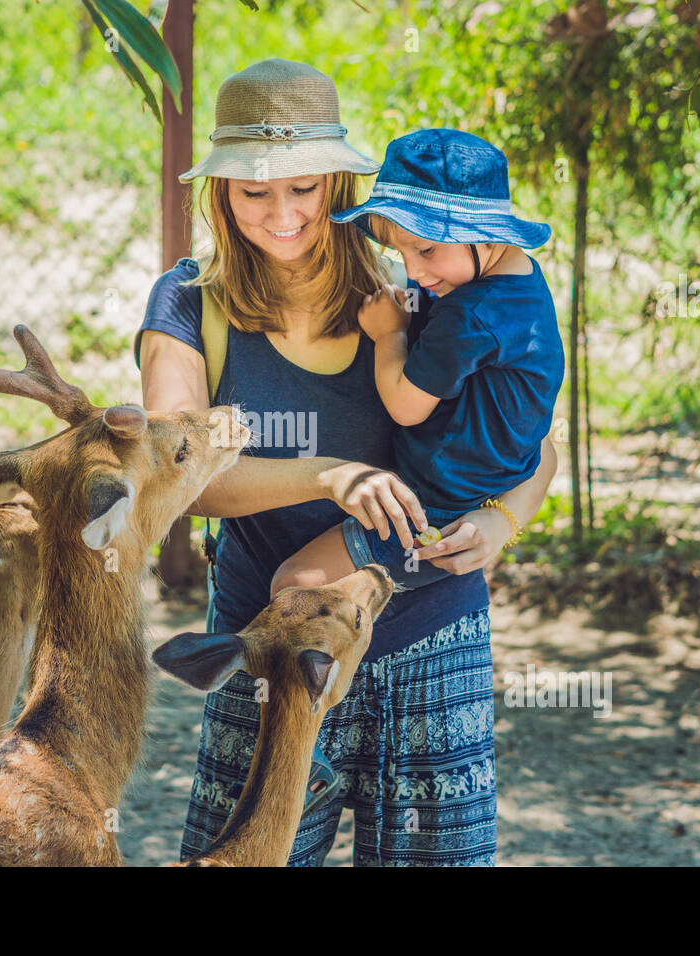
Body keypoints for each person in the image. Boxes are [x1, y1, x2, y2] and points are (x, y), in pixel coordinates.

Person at [135, 59, 557, 865]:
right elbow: (173, 472)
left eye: (303, 187)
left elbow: (535, 435)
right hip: (271, 644)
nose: (282, 212)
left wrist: (506, 519)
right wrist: (332, 475)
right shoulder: (188, 301)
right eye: (254, 191)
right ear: (219, 193)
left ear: (338, 181)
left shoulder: (411, 288)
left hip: (430, 631)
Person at [269, 128, 565, 598]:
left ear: (483, 237)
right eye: (401, 252)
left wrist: (390, 334)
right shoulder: (520, 280)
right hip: (490, 485)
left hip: (435, 508)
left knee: (294, 583)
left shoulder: (469, 316)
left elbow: (407, 406)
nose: (415, 271)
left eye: (426, 249)